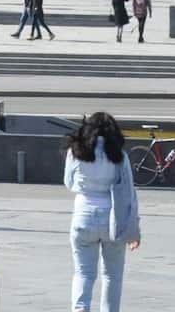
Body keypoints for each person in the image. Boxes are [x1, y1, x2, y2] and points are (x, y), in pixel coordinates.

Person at [63, 112, 141, 312]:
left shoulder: (76, 151)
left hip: (83, 215)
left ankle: (80, 309)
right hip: (113, 218)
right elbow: (129, 192)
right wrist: (135, 229)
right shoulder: (118, 156)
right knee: (112, 276)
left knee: (83, 273)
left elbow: (69, 183)